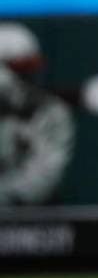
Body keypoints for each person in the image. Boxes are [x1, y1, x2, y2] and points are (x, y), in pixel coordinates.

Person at [0, 24, 74, 205]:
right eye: (19, 71)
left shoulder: (52, 113)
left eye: (30, 71)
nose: (29, 79)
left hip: (35, 224)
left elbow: (39, 185)